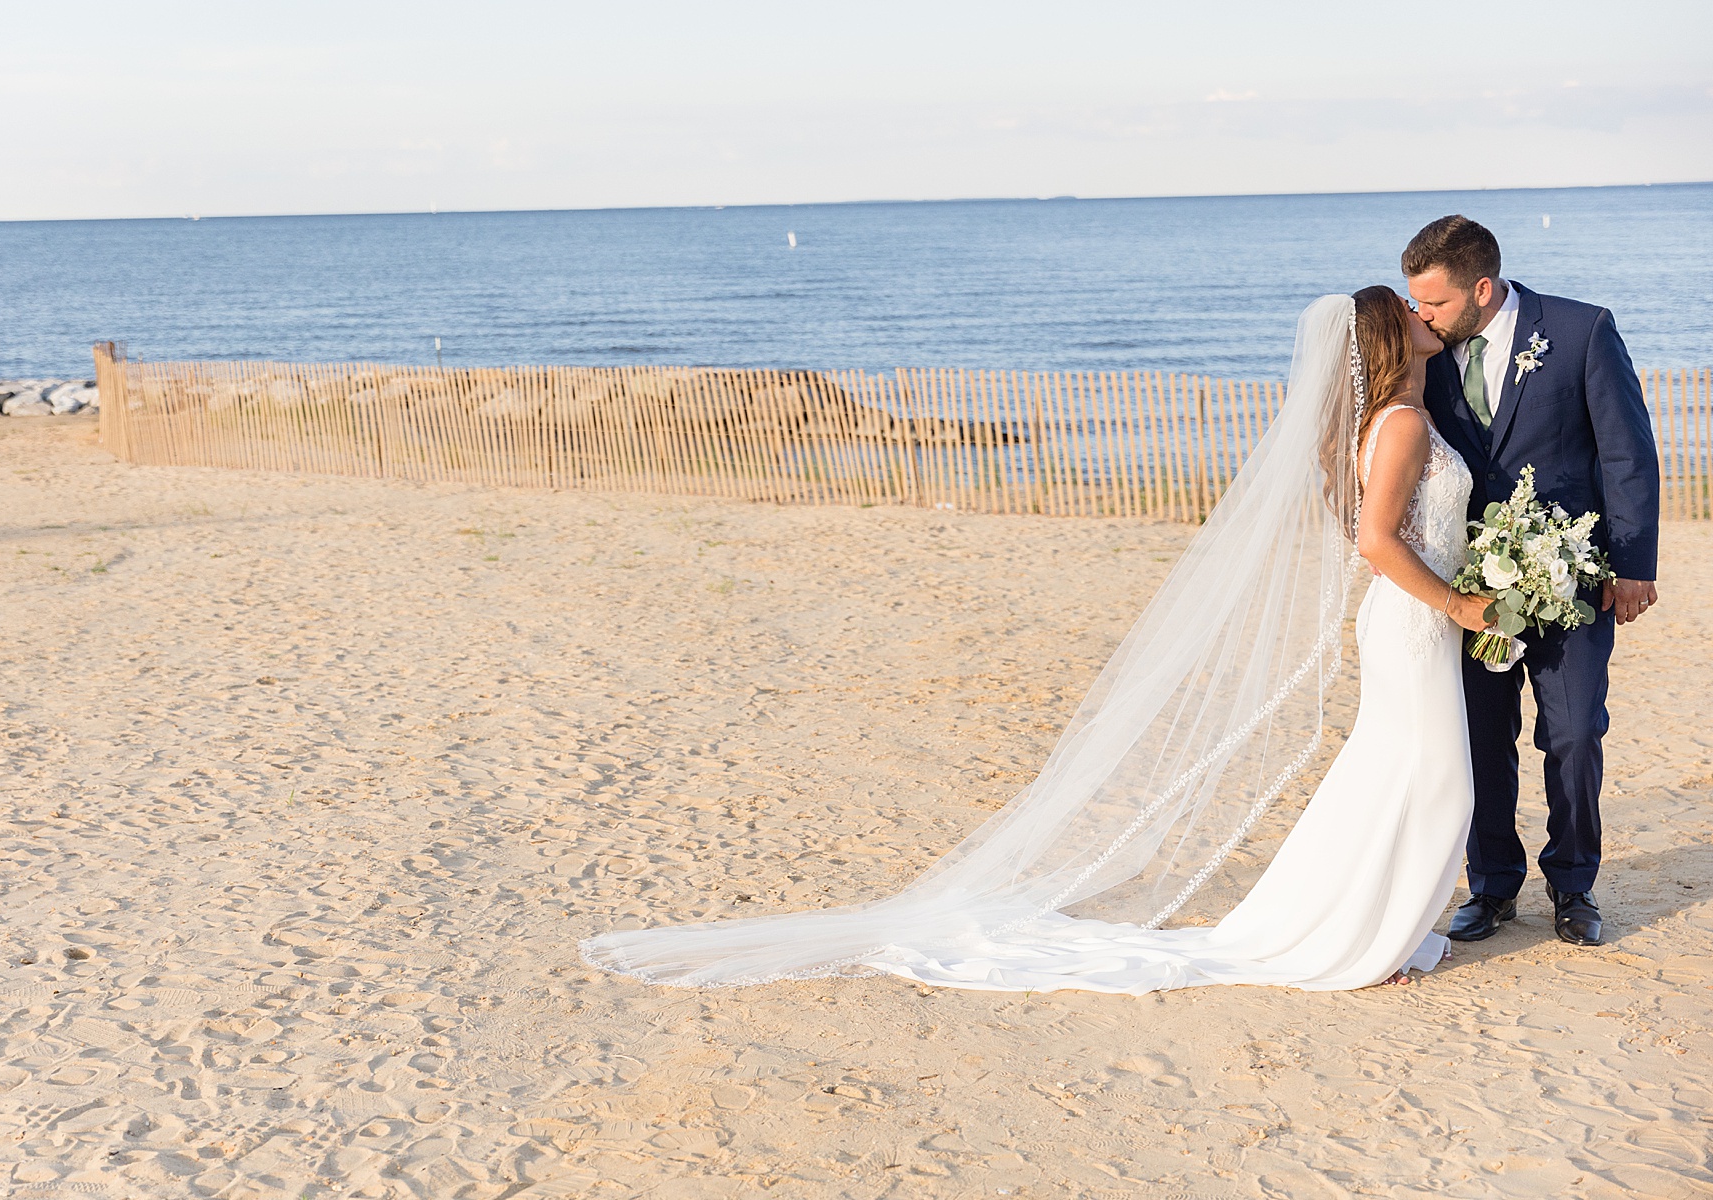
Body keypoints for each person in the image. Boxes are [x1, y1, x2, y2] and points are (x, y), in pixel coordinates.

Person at [581, 288, 1499, 994]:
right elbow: (1376, 542)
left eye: (1433, 304)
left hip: (1407, 620)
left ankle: (1374, 929)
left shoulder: (1385, 422)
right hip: (1418, 620)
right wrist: (1459, 606)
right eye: (1409, 310)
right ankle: (1364, 939)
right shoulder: (1406, 422)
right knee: (1430, 773)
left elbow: (1378, 534)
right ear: (1385, 341)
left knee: (1397, 770)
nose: (1425, 316)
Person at [1404, 216, 1660, 948]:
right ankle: (1491, 887)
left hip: (1573, 579)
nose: (1421, 316)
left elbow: (1626, 452)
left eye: (1436, 303)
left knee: (1576, 734)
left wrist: (1635, 562)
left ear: (1482, 288)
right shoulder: (1425, 354)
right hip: (1470, 589)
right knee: (1484, 739)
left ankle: (1573, 886)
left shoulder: (1581, 332)